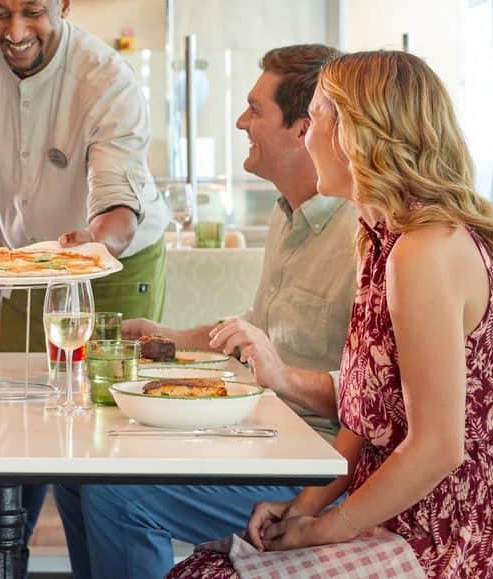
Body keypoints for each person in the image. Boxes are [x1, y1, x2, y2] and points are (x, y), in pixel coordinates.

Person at [170, 50, 493, 578]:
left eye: (316, 119)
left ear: (357, 136)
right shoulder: (380, 240)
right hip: (392, 512)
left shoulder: (424, 252)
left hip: (451, 536)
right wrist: (305, 506)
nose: (307, 137)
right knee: (206, 568)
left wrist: (325, 528)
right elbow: (363, 421)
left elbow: (437, 448)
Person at [52, 44, 358, 579]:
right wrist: (169, 336)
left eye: (255, 110)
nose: (241, 121)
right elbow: (260, 333)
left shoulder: (362, 234)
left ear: (304, 128)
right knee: (75, 473)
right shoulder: (288, 217)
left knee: (117, 496)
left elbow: (376, 397)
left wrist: (282, 378)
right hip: (266, 431)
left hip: (318, 469)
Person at [0, 0, 170, 572]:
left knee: (97, 437)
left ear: (64, 4)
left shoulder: (107, 80)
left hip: (116, 263)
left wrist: (95, 243)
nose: (14, 31)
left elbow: (119, 208)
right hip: (25, 260)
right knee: (17, 416)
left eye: (32, 11)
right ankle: (2, 563)